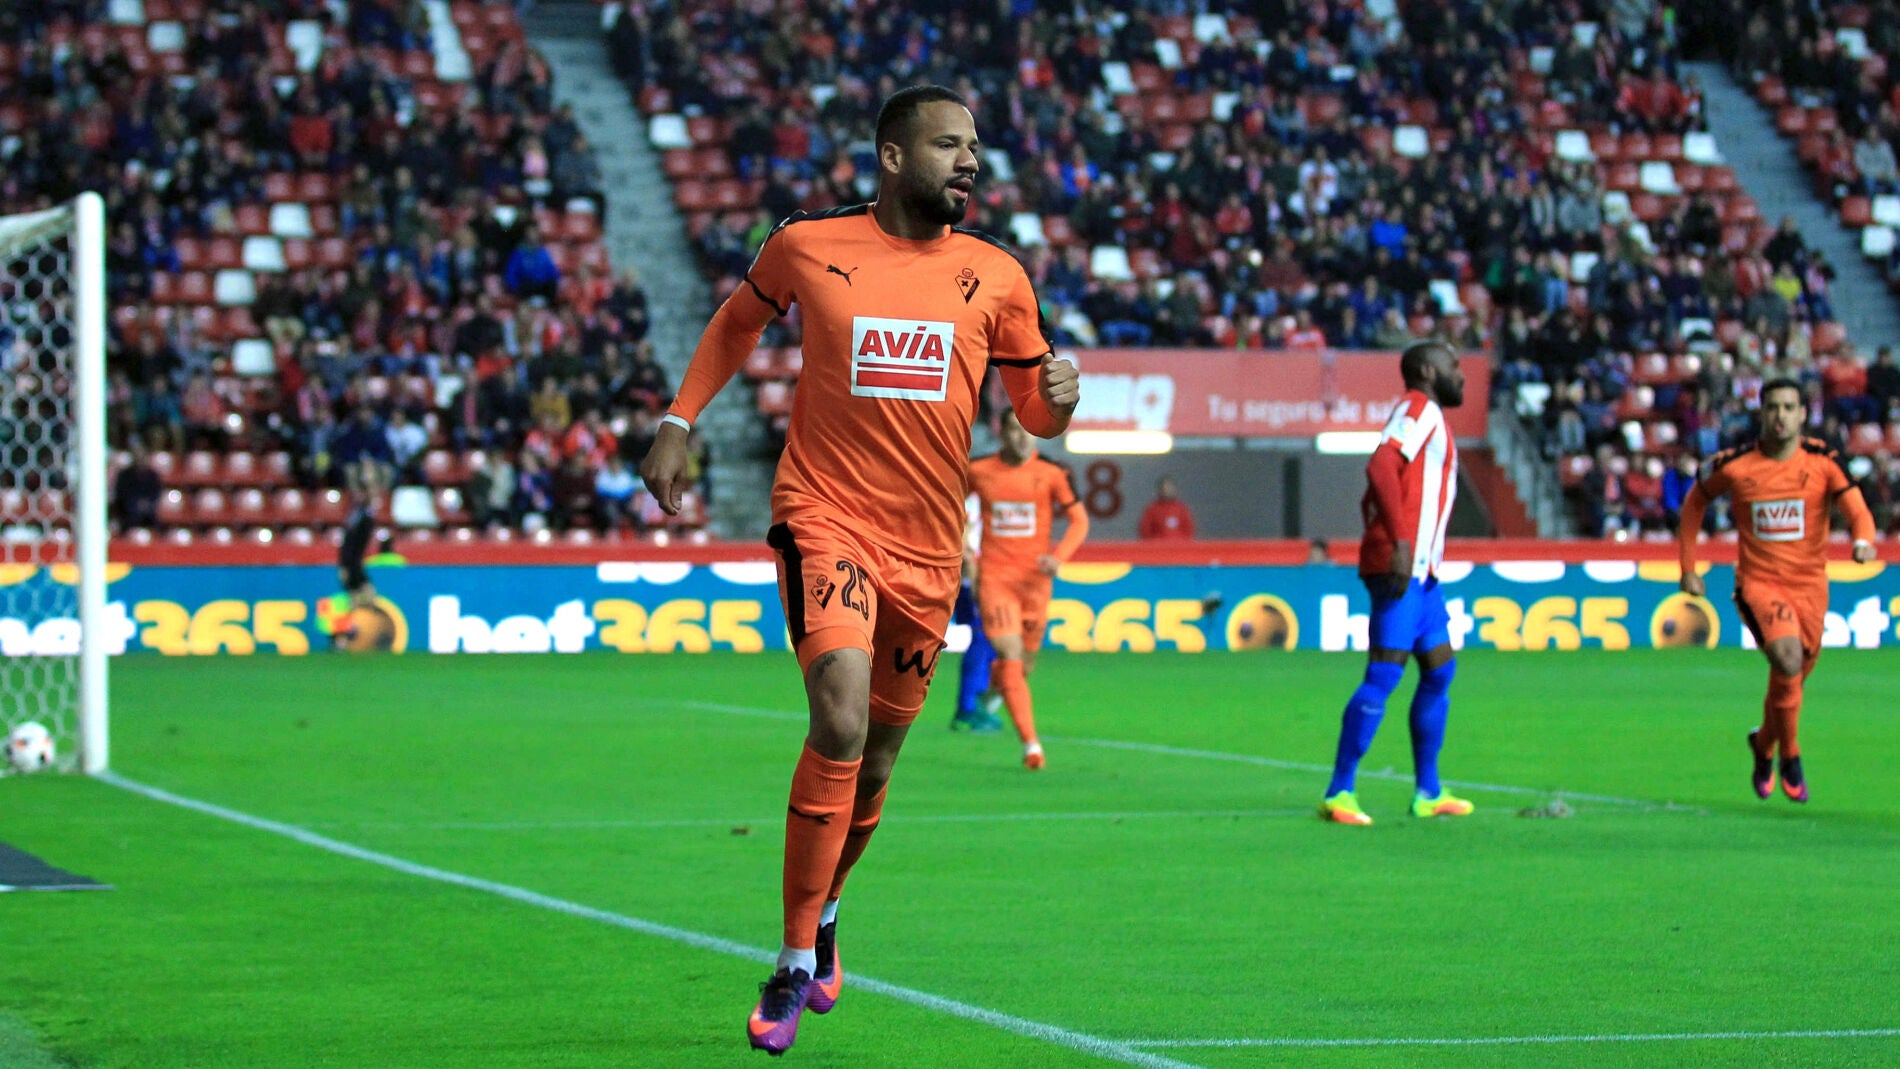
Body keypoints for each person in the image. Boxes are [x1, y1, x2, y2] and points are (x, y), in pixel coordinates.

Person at [638, 84, 1078, 1056]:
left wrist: (1059, 399)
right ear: (890, 156)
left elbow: (1036, 416)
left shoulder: (997, 275)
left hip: (929, 550)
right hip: (824, 516)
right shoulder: (808, 245)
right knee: (835, 716)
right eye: (947, 144)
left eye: (974, 146)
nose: (969, 161)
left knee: (876, 759)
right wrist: (678, 421)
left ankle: (828, 907)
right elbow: (734, 323)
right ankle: (795, 960)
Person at [1676, 378, 1877, 802]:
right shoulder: (1736, 466)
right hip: (1760, 585)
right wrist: (1688, 567)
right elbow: (1695, 501)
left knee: (1792, 680)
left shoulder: (1823, 461)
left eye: (1789, 407)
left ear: (1803, 414)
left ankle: (1763, 743)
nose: (1780, 416)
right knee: (1786, 662)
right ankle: (1790, 753)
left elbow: (1857, 509)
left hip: (1810, 590)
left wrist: (1862, 539)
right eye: (1772, 408)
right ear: (1761, 413)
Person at [1319, 340, 1474, 826]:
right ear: (1429, 371)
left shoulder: (1432, 416)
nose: (1463, 375)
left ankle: (1428, 791)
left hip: (1425, 573)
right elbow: (1381, 464)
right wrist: (1400, 543)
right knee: (1384, 675)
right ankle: (1339, 791)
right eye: (1454, 366)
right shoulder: (1417, 407)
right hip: (1402, 565)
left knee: (1439, 671)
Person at [965, 412, 1088, 767]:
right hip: (996, 579)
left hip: (1035, 583)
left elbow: (1080, 520)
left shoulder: (1051, 474)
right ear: (1001, 433)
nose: (1021, 438)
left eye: (1027, 432)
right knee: (1011, 655)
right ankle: (1031, 745)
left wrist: (1059, 557)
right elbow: (951, 505)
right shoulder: (980, 471)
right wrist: (966, 554)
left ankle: (992, 691)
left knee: (1025, 664)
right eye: (1014, 431)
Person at [948, 492, 1002, 733]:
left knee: (988, 642)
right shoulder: (974, 503)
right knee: (982, 639)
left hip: (981, 580)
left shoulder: (985, 501)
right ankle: (969, 708)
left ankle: (974, 705)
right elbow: (964, 546)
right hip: (974, 582)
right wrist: (974, 580)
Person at [1137, 475, 1195, 540]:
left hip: (1179, 547)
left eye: (1169, 488)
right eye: (1164, 488)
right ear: (1159, 490)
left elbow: (1189, 530)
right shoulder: (1151, 510)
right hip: (1158, 548)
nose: (1167, 491)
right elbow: (1145, 531)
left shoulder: (1182, 509)